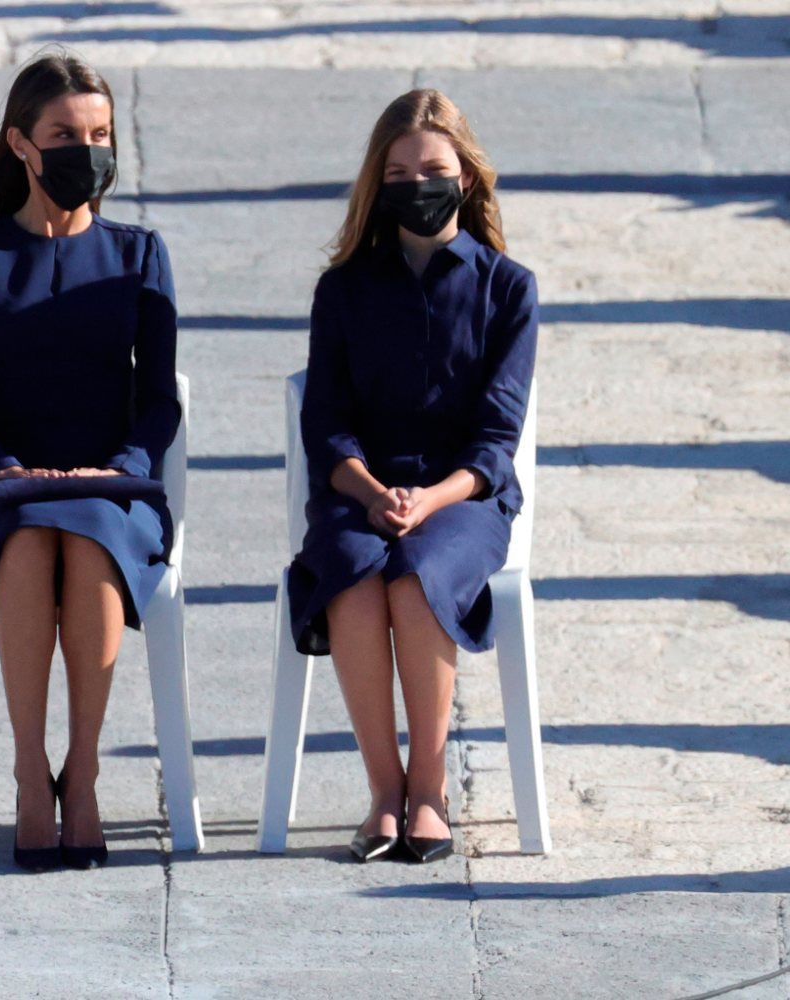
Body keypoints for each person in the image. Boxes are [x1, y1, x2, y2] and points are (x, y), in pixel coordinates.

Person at [0, 53, 179, 872]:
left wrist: (120, 465)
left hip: (116, 488)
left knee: (90, 535)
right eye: (66, 135)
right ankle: (28, 774)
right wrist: (3, 467)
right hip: (8, 490)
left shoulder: (139, 253)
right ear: (21, 145)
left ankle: (84, 772)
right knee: (36, 540)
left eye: (101, 134)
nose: (88, 150)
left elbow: (159, 401)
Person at [286, 89, 536, 865]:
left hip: (463, 499)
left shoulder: (508, 288)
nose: (416, 184)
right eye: (398, 171)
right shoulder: (344, 289)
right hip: (361, 492)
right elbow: (325, 425)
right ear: (378, 183)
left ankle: (429, 789)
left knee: (416, 573)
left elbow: (496, 439)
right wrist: (371, 492)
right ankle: (384, 792)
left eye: (432, 167)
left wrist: (429, 498)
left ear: (465, 175)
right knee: (356, 571)